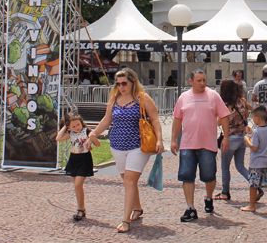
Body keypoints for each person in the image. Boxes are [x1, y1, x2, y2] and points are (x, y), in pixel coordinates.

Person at [89, 68, 164, 233]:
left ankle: (125, 220)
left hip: (138, 146)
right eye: (118, 84)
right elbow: (107, 120)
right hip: (117, 144)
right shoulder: (114, 98)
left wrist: (159, 139)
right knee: (128, 181)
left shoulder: (142, 98)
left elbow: (155, 119)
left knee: (129, 180)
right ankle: (137, 208)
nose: (121, 87)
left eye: (124, 83)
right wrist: (93, 133)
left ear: (133, 82)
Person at [171, 69, 230, 222]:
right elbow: (177, 119)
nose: (203, 83)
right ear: (191, 81)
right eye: (199, 80)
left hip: (208, 144)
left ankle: (208, 197)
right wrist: (173, 140)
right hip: (187, 144)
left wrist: (226, 137)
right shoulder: (183, 97)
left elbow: (224, 116)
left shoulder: (213, 96)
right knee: (187, 176)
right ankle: (190, 208)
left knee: (209, 176)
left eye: (204, 80)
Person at [56, 113, 101, 222]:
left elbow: (98, 144)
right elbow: (58, 138)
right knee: (77, 187)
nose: (76, 127)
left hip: (84, 159)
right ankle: (81, 209)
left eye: (78, 124)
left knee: (78, 184)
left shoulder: (87, 131)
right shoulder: (70, 133)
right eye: (73, 126)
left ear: (82, 123)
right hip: (74, 159)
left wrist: (92, 138)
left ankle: (80, 209)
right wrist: (65, 127)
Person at [241, 106, 267, 214]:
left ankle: (251, 205)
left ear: (258, 118)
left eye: (253, 118)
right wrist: (251, 133)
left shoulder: (257, 132)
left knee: (253, 184)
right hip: (265, 160)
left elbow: (254, 147)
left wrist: (246, 139)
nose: (253, 120)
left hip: (256, 162)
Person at [216, 79, 251, 201]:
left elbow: (219, 122)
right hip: (241, 137)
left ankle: (225, 192)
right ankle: (255, 185)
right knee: (240, 166)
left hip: (229, 138)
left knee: (225, 167)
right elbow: (247, 114)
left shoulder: (225, 105)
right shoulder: (241, 101)